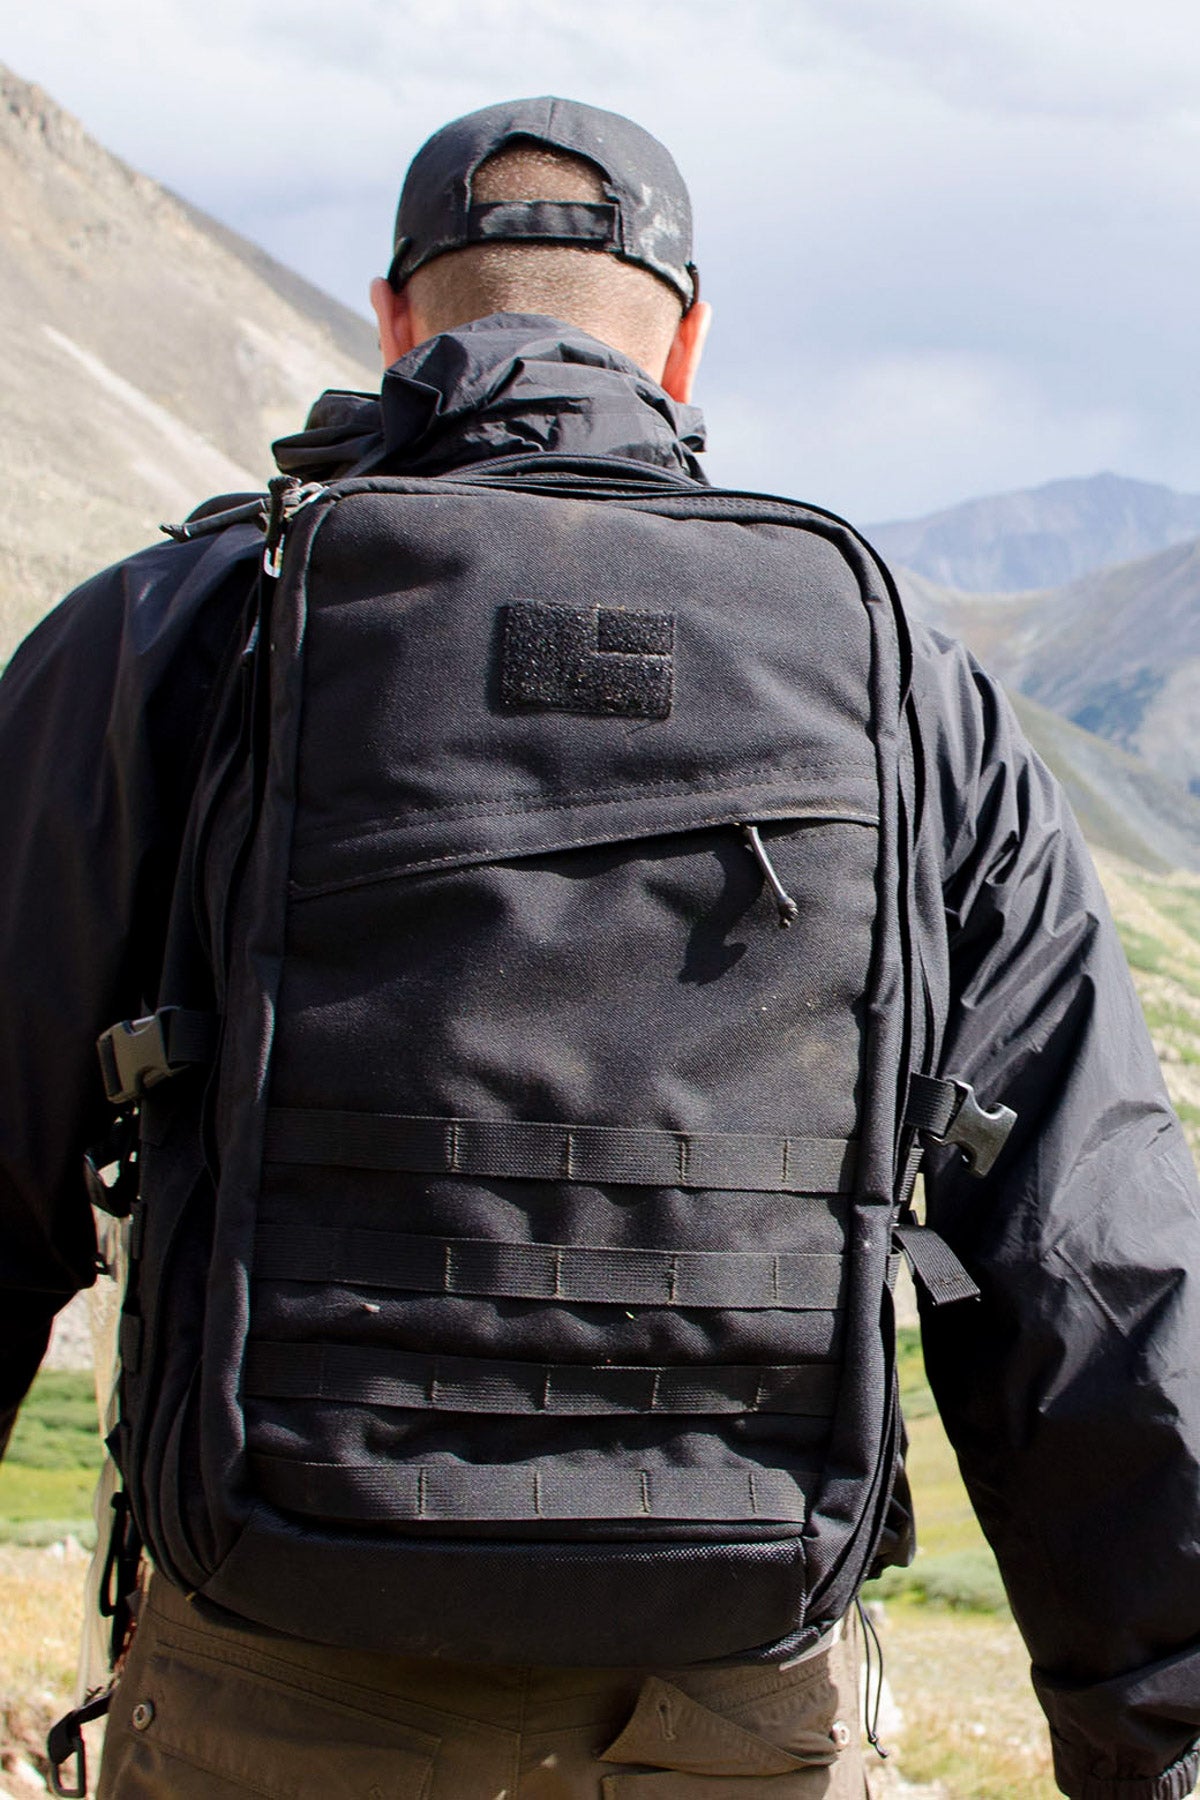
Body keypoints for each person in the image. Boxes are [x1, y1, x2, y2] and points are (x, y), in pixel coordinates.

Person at [2, 95, 1199, 1800]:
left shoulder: (182, 628)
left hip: (279, 1666)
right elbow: (1092, 1240)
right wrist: (1155, 1747)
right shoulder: (905, 689)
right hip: (742, 1700)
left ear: (399, 320)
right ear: (686, 342)